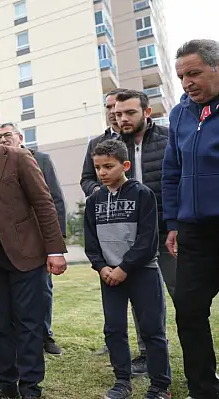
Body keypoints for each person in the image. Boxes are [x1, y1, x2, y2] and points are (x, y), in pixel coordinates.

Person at [0, 113, 67, 399]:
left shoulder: (19, 158)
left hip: (25, 253)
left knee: (28, 323)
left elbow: (44, 203)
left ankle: (30, 386)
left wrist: (55, 249)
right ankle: (5, 383)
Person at [84, 139, 171, 399]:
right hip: (110, 277)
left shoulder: (142, 194)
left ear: (125, 165)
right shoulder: (94, 200)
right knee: (114, 329)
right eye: (98, 167)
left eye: (108, 166)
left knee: (152, 330)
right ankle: (122, 381)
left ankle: (160, 386)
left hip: (142, 272)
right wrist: (102, 268)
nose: (102, 173)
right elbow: (91, 243)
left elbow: (148, 240)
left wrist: (124, 267)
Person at [162, 38, 219, 399]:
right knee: (189, 308)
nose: (187, 83)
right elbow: (171, 172)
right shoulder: (180, 113)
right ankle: (204, 388)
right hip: (194, 231)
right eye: (182, 76)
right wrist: (173, 222)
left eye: (194, 73)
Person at [81, 89, 149, 369]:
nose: (115, 114)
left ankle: (152, 349)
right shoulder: (100, 144)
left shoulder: (159, 137)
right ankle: (122, 349)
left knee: (154, 296)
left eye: (121, 109)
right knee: (118, 294)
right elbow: (86, 179)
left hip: (153, 225)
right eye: (111, 109)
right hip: (116, 229)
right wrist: (104, 193)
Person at [0, 122, 66, 355]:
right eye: (0, 136)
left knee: (42, 290)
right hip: (11, 241)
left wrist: (56, 242)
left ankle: (45, 334)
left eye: (8, 135)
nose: (3, 139)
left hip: (39, 238)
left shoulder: (40, 159)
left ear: (20, 136)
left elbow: (54, 199)